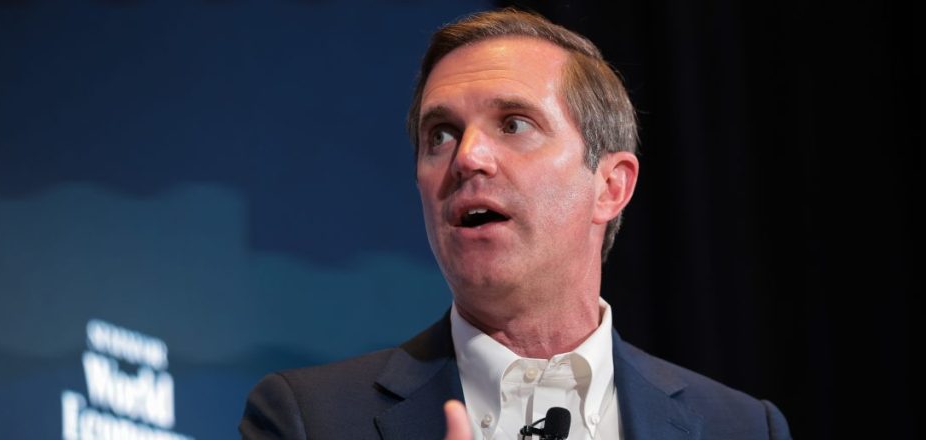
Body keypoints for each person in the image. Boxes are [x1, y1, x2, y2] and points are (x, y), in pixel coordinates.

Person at [240, 8, 791, 440]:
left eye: (513, 124)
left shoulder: (742, 427)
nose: (467, 157)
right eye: (441, 134)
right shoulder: (309, 419)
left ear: (610, 186)